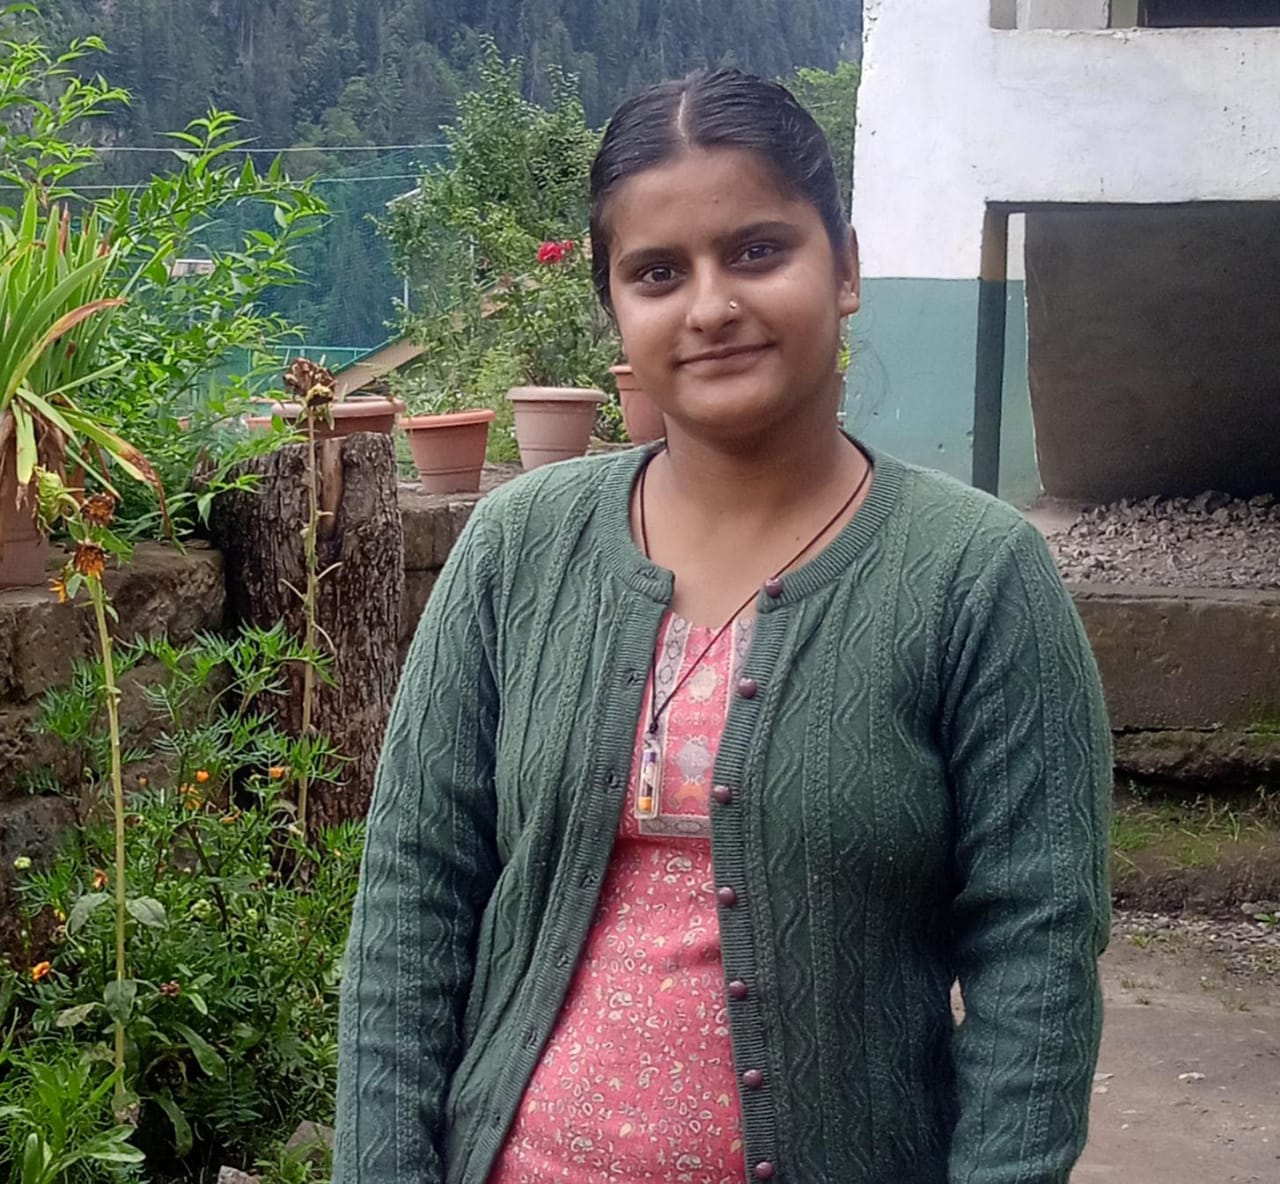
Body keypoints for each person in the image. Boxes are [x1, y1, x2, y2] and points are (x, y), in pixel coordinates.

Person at [333, 69, 1112, 1184]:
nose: (709, 307)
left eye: (756, 251)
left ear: (844, 268)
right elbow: (412, 899)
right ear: (615, 307)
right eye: (657, 272)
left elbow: (1036, 954)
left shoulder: (973, 576)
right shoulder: (516, 550)